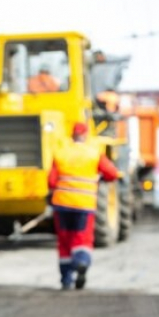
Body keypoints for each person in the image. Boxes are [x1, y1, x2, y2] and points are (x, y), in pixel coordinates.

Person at [48, 122, 122, 290]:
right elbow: (112, 173)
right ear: (86, 135)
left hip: (62, 204)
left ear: (72, 134)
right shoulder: (94, 153)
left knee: (64, 241)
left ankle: (66, 279)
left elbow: (51, 181)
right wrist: (101, 179)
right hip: (84, 204)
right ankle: (81, 262)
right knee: (82, 238)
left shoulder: (61, 152)